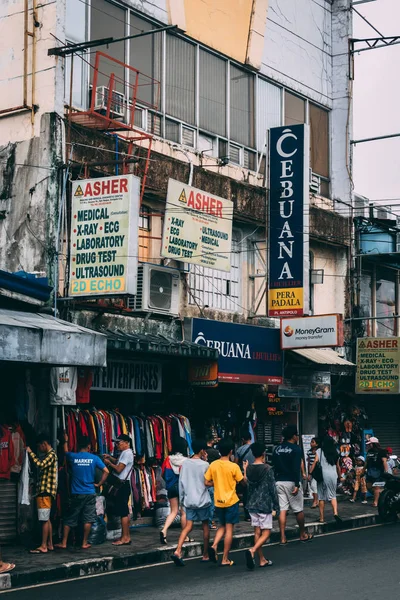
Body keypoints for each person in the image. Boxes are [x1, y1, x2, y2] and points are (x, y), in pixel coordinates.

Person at [55, 434, 109, 550]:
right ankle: (84, 543)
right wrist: (99, 484)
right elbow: (106, 471)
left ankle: (64, 543)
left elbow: (65, 452)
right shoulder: (94, 458)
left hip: (76, 493)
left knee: (70, 518)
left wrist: (65, 440)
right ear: (89, 446)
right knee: (88, 518)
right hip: (90, 492)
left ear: (78, 445)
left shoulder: (73, 456)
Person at [204, 437, 244, 567]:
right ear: (231, 451)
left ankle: (214, 545)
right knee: (229, 529)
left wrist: (216, 482)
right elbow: (242, 481)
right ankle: (225, 558)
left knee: (221, 525)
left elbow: (206, 482)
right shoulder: (234, 466)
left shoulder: (213, 464)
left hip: (218, 501)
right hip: (231, 501)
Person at [171, 439, 211, 566]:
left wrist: (182, 500)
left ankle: (178, 550)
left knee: (188, 526)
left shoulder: (185, 464)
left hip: (189, 500)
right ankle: (205, 554)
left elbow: (181, 483)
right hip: (203, 500)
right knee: (205, 526)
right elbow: (208, 482)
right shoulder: (205, 465)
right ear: (202, 451)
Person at [272, 425, 312, 545]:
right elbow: (296, 467)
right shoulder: (296, 449)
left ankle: (283, 537)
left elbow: (274, 466)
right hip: (291, 481)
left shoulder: (277, 449)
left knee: (282, 509)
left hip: (279, 481)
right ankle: (302, 534)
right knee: (298, 509)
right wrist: (297, 484)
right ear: (294, 436)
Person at [243, 442, 279, 570]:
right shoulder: (267, 469)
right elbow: (272, 489)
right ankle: (252, 551)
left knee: (257, 531)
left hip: (252, 504)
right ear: (263, 453)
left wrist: (244, 470)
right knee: (266, 532)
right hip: (264, 504)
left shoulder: (249, 468)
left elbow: (246, 484)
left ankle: (262, 559)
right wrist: (276, 506)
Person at [27, 433, 58, 554]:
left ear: (44, 444)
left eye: (39, 446)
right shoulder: (51, 455)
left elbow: (40, 464)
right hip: (46, 491)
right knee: (47, 518)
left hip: (45, 491)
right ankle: (49, 544)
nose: (39, 449)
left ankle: (44, 545)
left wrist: (30, 453)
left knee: (44, 519)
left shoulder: (50, 455)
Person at [103, 434, 134, 546]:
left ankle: (125, 537)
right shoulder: (124, 453)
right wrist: (111, 458)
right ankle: (124, 536)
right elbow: (118, 462)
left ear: (126, 442)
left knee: (123, 512)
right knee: (122, 511)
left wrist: (109, 463)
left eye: (119, 442)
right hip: (122, 485)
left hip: (122, 485)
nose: (117, 445)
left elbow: (119, 469)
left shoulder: (127, 453)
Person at [159, 437, 189, 545]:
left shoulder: (168, 459)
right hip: (182, 487)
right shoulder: (187, 461)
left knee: (173, 511)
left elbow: (162, 473)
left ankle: (164, 530)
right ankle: (185, 537)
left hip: (171, 487)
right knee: (184, 512)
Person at [310, 436, 342, 524]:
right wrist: (340, 476)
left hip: (322, 475)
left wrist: (310, 473)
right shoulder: (336, 452)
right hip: (333, 475)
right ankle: (335, 513)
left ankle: (322, 518)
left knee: (321, 497)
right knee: (333, 495)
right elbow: (338, 467)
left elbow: (314, 462)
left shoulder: (319, 451)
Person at [235, 428, 255, 521]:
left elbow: (235, 464)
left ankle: (248, 515)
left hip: (245, 473)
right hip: (257, 472)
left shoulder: (239, 450)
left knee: (246, 494)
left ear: (243, 439)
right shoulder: (257, 447)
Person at [365, 437, 388, 507]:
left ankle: (375, 502)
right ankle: (381, 494)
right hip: (370, 471)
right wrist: (363, 470)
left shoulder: (382, 451)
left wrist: (386, 471)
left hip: (378, 471)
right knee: (368, 486)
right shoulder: (369, 452)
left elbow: (384, 461)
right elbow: (366, 462)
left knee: (376, 487)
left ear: (374, 444)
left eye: (370, 444)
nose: (369, 445)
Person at [206, 433, 220, 530]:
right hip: (212, 480)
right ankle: (209, 522)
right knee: (211, 502)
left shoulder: (202, 452)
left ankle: (206, 521)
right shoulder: (215, 452)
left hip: (204, 479)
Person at [307, 438, 320, 509]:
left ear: (317, 444)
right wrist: (309, 472)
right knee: (312, 486)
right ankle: (316, 500)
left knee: (314, 486)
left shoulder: (319, 452)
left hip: (317, 471)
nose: (311, 443)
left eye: (313, 442)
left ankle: (315, 501)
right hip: (311, 471)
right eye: (311, 442)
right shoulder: (309, 452)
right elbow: (309, 463)